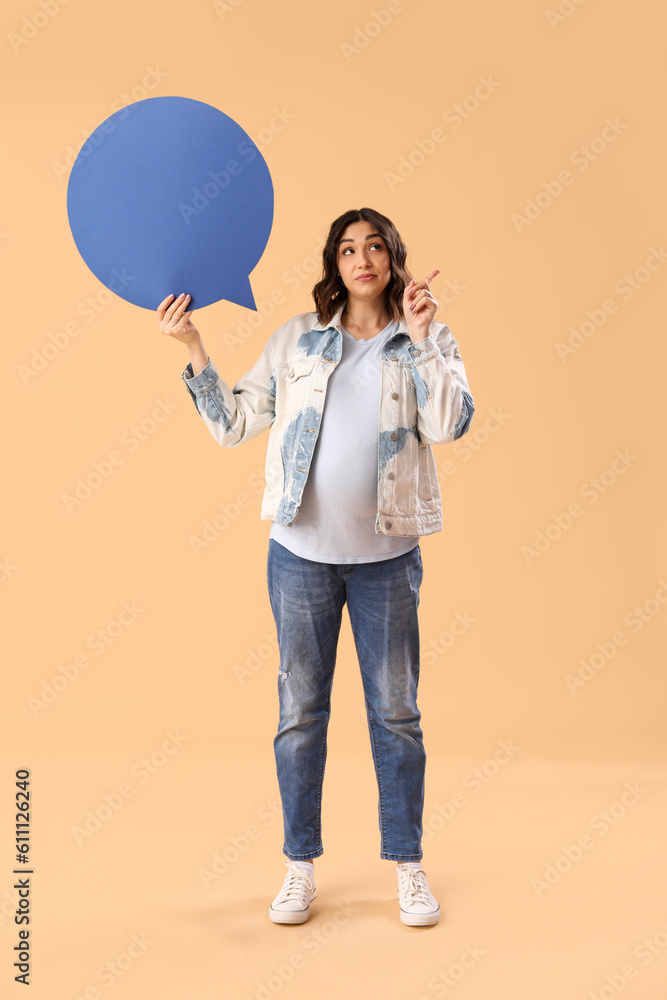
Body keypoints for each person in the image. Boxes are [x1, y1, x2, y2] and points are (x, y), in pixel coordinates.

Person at [156, 207, 475, 927]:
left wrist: (424, 340)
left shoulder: (424, 337)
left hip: (387, 562)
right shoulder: (298, 339)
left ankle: (408, 867)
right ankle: (299, 866)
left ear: (393, 258)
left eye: (374, 248)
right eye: (346, 248)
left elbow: (449, 424)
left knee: (395, 715)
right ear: (334, 263)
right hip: (300, 558)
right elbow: (232, 424)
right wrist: (193, 344)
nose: (361, 259)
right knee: (300, 714)